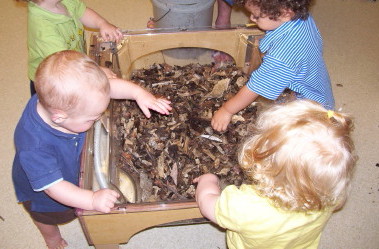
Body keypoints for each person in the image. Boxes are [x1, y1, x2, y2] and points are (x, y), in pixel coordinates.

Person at [12, 50, 172, 249]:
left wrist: (139, 94)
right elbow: (55, 188)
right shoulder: (34, 146)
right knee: (47, 218)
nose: (98, 118)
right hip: (47, 191)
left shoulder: (61, 102)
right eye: (92, 118)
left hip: (67, 156)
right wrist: (91, 199)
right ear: (59, 117)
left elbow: (108, 88)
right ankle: (51, 239)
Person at [195, 99, 356, 249]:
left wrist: (208, 180)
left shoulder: (247, 206)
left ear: (266, 167)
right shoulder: (329, 197)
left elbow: (208, 204)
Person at [211, 0, 335, 132]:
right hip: (318, 90)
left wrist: (227, 110)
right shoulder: (303, 18)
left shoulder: (283, 56)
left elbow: (255, 87)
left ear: (286, 13)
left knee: (278, 131)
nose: (251, 18)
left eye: (257, 16)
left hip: (309, 111)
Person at [19, 0, 123, 96]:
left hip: (74, 62)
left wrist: (102, 23)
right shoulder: (43, 30)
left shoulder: (64, 1)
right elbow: (64, 62)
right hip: (52, 80)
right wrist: (96, 71)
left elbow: (82, 12)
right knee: (62, 108)